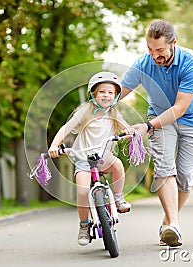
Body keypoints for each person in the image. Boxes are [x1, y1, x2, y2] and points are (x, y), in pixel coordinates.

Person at [120, 19, 193, 247]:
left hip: (192, 117)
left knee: (186, 175)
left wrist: (147, 127)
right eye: (150, 49)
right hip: (160, 118)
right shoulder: (143, 63)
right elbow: (119, 91)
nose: (154, 55)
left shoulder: (191, 62)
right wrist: (97, 101)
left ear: (174, 43)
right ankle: (174, 226)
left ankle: (169, 221)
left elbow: (180, 108)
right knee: (163, 167)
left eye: (160, 50)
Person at [48, 71, 132, 246]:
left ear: (116, 96)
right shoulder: (85, 110)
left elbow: (126, 127)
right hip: (83, 158)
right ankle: (84, 225)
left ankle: (117, 197)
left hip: (104, 157)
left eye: (111, 92)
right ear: (93, 94)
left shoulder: (114, 112)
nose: (106, 95)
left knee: (117, 165)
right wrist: (55, 145)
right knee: (82, 191)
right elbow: (66, 128)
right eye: (102, 92)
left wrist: (131, 133)